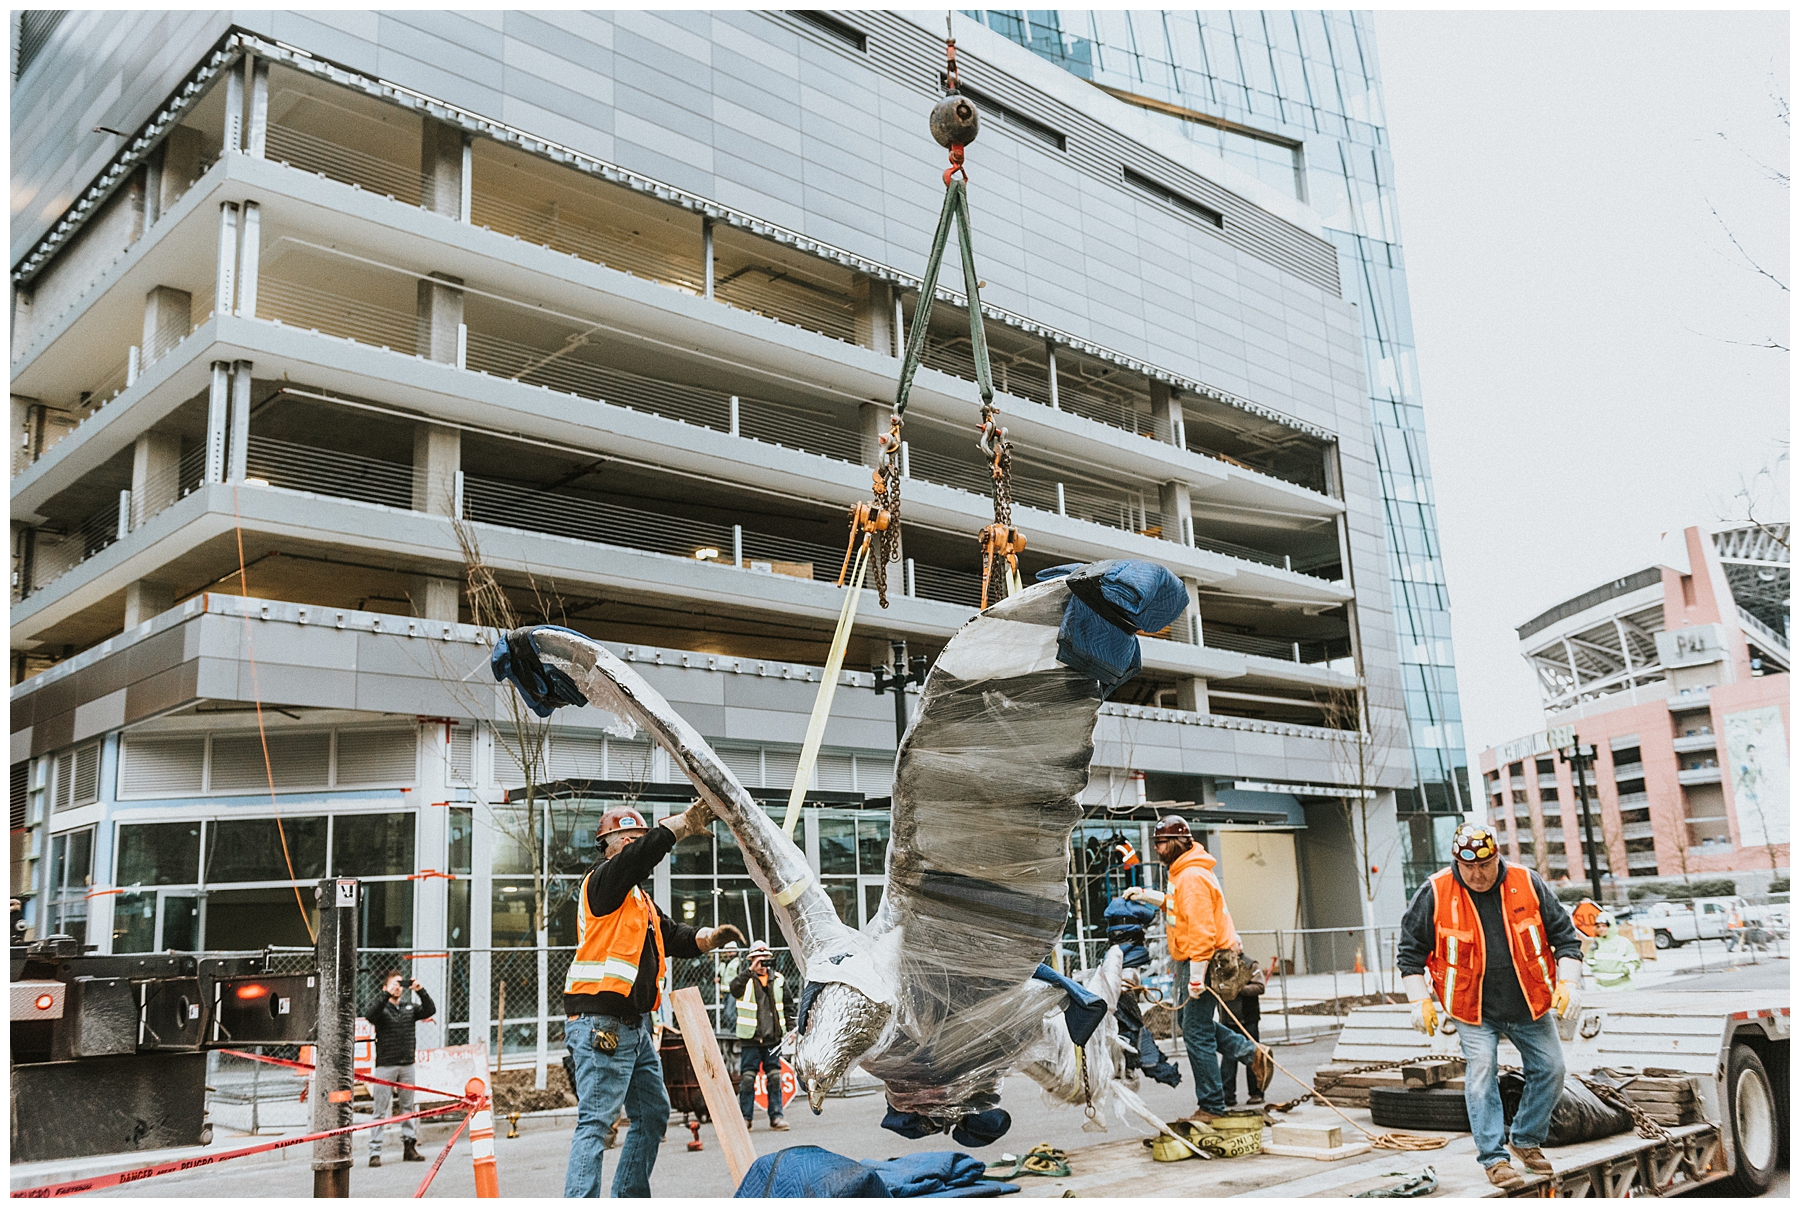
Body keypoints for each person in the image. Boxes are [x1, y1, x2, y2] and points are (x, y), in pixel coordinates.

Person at [564, 802, 742, 1198]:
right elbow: (636, 860)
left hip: (635, 1024)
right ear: (606, 846)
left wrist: (707, 938)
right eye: (625, 840)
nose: (632, 845)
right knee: (596, 1123)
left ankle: (629, 1196)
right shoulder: (603, 882)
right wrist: (676, 828)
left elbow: (672, 934)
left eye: (637, 839)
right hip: (601, 1023)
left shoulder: (638, 902)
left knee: (652, 1113)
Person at [1398, 823, 1584, 1190]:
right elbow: (1410, 953)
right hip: (1472, 1008)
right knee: (1482, 1073)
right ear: (1457, 862)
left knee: (1552, 1068)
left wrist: (1570, 981)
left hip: (1528, 1004)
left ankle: (1526, 1139)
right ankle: (1494, 1159)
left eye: (1485, 864)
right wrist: (1418, 999)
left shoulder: (1527, 883)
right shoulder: (1435, 892)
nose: (1478, 875)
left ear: (1497, 855)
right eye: (1469, 868)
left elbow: (1565, 937)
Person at [1123, 815, 1272, 1123]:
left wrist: (1195, 978)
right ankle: (1252, 1054)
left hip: (1202, 960)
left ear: (1179, 843)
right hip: (1196, 960)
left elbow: (1202, 931)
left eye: (1162, 843)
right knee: (1197, 1027)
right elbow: (1182, 910)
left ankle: (1212, 1105)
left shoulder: (1190, 876)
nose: (1157, 848)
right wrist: (1149, 896)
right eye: (1156, 842)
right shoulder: (1184, 872)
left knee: (1196, 1033)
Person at [362, 970, 437, 1166]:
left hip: (407, 1064)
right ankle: (375, 1152)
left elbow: (430, 1010)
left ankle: (409, 1147)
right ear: (385, 987)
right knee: (380, 1110)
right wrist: (386, 994)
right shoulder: (382, 1008)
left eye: (399, 984)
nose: (398, 988)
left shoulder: (409, 1007)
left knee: (407, 1108)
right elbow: (370, 1015)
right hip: (385, 1065)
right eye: (393, 984)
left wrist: (420, 991)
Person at [728, 941, 793, 1131]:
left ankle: (776, 1117)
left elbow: (788, 1006)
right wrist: (750, 971)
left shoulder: (778, 979)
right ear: (751, 960)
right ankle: (745, 1119)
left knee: (774, 1076)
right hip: (751, 1038)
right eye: (759, 959)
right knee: (748, 1078)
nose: (763, 964)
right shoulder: (745, 979)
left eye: (766, 960)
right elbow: (733, 989)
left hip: (772, 1038)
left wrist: (790, 1029)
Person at [1217, 961, 1267, 1107]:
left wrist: (1239, 989)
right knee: (1228, 1060)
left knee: (1253, 1055)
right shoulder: (1221, 965)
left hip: (1248, 1018)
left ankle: (1256, 1093)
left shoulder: (1250, 964)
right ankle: (1227, 1095)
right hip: (1228, 1019)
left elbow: (1260, 987)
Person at [1584, 911, 1641, 990]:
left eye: (1604, 926)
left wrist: (1623, 971)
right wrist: (1597, 970)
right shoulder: (1596, 943)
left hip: (1623, 987)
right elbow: (1589, 959)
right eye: (1598, 926)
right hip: (1601, 988)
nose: (1601, 929)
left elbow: (1635, 962)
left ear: (1611, 926)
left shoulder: (1623, 942)